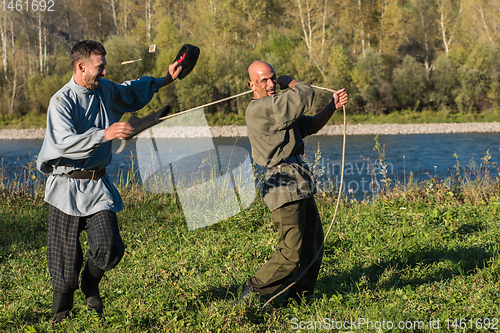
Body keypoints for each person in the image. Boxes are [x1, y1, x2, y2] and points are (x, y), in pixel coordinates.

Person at [36, 40, 182, 323]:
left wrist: (165, 79)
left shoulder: (104, 90)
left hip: (97, 186)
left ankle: (90, 283)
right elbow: (64, 144)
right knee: (65, 268)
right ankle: (60, 315)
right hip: (65, 188)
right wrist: (105, 134)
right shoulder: (60, 102)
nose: (104, 72)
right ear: (81, 67)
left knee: (110, 246)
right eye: (99, 67)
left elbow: (130, 91)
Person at [242, 61, 348, 306]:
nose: (271, 84)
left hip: (298, 181)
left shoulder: (278, 109)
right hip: (282, 184)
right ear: (252, 86)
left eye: (273, 78)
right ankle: (252, 291)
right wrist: (290, 81)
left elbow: (309, 125)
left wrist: (332, 105)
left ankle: (297, 296)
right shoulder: (262, 109)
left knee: (312, 242)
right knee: (291, 252)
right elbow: (305, 93)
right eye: (264, 80)